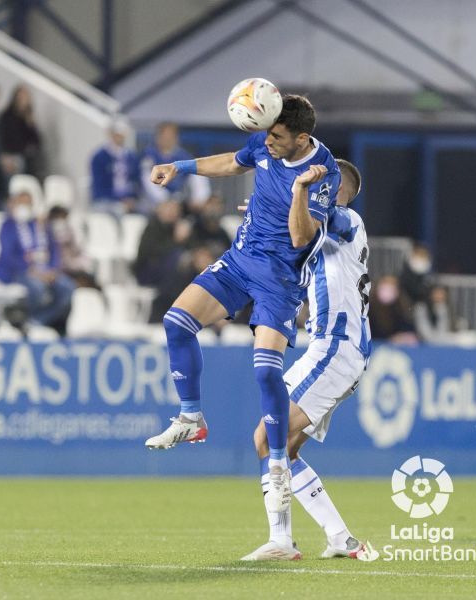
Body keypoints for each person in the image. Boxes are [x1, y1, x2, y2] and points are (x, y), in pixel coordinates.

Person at [143, 96, 341, 521]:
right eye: (266, 133)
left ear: (301, 138)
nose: (266, 142)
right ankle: (191, 416)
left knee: (266, 369)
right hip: (239, 261)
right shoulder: (265, 143)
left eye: (276, 136)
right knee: (176, 322)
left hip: (279, 281)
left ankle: (277, 467)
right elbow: (233, 162)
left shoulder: (324, 172)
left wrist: (300, 190)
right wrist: (180, 167)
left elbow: (301, 238)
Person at [243, 159, 374, 561]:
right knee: (284, 446)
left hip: (335, 347)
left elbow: (310, 225)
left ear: (337, 190)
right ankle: (341, 538)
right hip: (337, 349)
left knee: (268, 437)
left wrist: (296, 194)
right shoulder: (324, 236)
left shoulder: (346, 219)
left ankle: (281, 541)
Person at [0, 192, 75, 328]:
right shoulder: (8, 226)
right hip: (19, 272)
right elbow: (8, 256)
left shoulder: (40, 225)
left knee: (67, 287)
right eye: (21, 203)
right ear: (14, 204)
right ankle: (24, 320)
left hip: (45, 271)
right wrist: (32, 271)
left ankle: (38, 320)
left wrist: (53, 270)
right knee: (38, 289)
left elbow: (53, 249)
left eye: (27, 203)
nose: (25, 207)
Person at [139, 122, 209, 212]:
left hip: (177, 201)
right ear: (158, 137)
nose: (168, 139)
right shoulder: (149, 155)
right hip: (152, 203)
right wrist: (165, 200)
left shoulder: (183, 156)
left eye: (171, 136)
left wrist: (200, 198)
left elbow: (197, 176)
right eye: (165, 136)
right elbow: (147, 180)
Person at [133, 198, 191, 288]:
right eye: (169, 209)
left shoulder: (176, 227)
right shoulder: (152, 227)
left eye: (176, 210)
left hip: (169, 271)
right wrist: (176, 240)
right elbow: (151, 252)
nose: (172, 213)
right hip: (147, 271)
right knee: (177, 257)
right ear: (160, 210)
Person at [90, 122, 139, 214]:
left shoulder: (131, 156)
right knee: (117, 210)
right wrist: (119, 199)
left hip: (127, 200)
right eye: (116, 135)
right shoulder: (100, 157)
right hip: (105, 199)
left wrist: (131, 197)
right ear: (110, 134)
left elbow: (135, 181)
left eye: (121, 135)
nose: (119, 138)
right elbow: (99, 185)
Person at [0, 85, 41, 178]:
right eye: (21, 97)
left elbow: (37, 141)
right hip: (10, 154)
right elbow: (3, 138)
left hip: (25, 156)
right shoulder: (7, 116)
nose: (23, 100)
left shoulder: (28, 118)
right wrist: (4, 156)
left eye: (26, 97)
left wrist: (29, 122)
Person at [369, 274, 418, 343]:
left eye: (391, 286)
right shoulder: (369, 309)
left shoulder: (402, 309)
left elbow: (409, 331)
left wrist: (401, 337)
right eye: (385, 285)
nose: (387, 290)